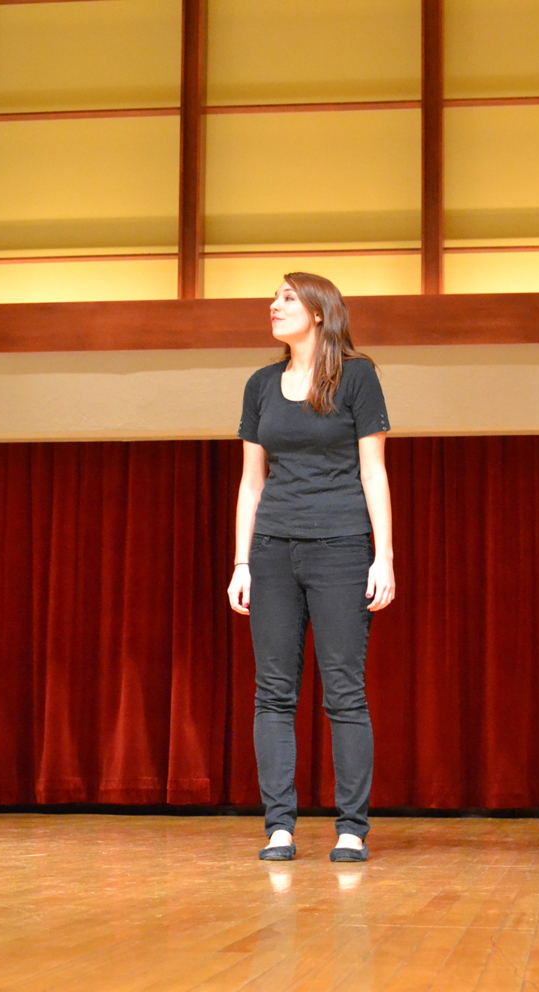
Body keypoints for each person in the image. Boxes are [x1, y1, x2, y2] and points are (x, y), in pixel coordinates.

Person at [228, 272, 395, 863]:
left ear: (320, 313)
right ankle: (279, 826)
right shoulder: (260, 385)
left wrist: (385, 555)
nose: (273, 305)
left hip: (342, 546)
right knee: (273, 692)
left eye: (287, 298)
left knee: (344, 693)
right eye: (274, 297)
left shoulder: (358, 376)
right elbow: (252, 480)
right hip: (273, 547)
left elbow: (374, 471)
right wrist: (242, 560)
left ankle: (351, 827)